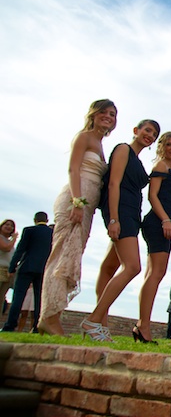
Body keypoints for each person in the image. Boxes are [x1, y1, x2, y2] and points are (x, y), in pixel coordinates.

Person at [37, 99, 116, 335]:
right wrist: (77, 202)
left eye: (112, 114)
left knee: (72, 256)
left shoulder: (100, 144)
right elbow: (73, 169)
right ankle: (48, 317)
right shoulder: (84, 137)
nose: (108, 117)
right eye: (104, 112)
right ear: (93, 114)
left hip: (88, 205)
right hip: (75, 200)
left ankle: (54, 315)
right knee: (61, 255)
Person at [81, 119, 160, 341]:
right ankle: (93, 320)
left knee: (109, 267)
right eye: (147, 130)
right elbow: (113, 183)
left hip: (132, 213)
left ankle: (101, 326)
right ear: (136, 130)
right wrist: (114, 218)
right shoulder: (123, 149)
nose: (150, 135)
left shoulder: (138, 160)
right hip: (120, 211)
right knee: (133, 266)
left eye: (154, 134)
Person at [136, 132, 171, 343]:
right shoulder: (161, 166)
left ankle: (141, 325)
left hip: (164, 221)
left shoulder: (170, 170)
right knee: (156, 274)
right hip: (157, 223)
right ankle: (143, 326)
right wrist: (165, 220)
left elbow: (166, 199)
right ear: (162, 146)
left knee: (152, 274)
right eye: (169, 144)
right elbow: (152, 196)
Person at [1, 212, 53, 332]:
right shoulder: (52, 233)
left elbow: (20, 250)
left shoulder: (29, 230)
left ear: (35, 220)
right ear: (47, 220)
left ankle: (10, 325)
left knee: (18, 297)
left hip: (26, 267)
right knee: (39, 299)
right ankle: (37, 326)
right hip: (43, 269)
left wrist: (12, 267)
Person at [0, 219, 19, 314]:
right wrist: (14, 239)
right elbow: (6, 248)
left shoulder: (9, 242)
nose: (9, 227)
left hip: (7, 271)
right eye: (7, 225)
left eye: (11, 226)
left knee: (1, 299)